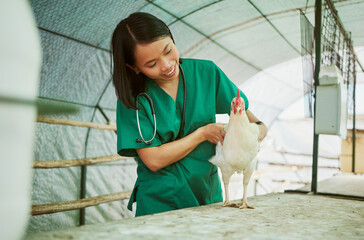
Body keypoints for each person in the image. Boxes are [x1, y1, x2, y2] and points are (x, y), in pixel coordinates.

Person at [111, 12, 267, 217]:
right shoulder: (132, 99)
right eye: (152, 64)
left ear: (171, 36)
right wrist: (202, 134)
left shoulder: (206, 73)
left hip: (205, 194)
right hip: (160, 201)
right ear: (133, 67)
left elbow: (256, 123)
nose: (166, 65)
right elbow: (154, 160)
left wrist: (252, 134)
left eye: (168, 50)